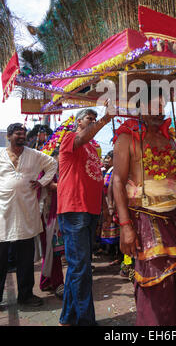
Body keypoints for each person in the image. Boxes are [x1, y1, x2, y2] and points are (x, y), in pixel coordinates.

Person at [113, 86, 176, 326]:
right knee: (156, 279)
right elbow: (118, 182)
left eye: (161, 106)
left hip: (175, 217)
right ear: (140, 109)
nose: (158, 111)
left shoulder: (169, 137)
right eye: (152, 106)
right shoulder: (126, 137)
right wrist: (125, 226)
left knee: (173, 278)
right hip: (146, 218)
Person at [57, 108, 111, 326]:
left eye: (95, 120)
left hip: (90, 210)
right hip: (74, 209)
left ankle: (67, 318)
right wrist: (107, 118)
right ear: (78, 122)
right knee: (81, 266)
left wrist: (105, 208)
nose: (93, 123)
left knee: (79, 265)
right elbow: (83, 136)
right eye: (90, 119)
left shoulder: (94, 148)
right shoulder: (70, 138)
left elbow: (97, 178)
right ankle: (85, 320)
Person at [0, 123, 57, 307]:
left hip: (27, 212)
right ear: (8, 136)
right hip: (3, 213)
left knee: (25, 258)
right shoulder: (1, 155)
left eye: (23, 134)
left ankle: (25, 295)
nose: (22, 136)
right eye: (18, 133)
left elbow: (53, 164)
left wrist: (42, 182)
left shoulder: (33, 155)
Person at [39, 149, 65, 299]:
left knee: (52, 250)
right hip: (47, 217)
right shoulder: (48, 171)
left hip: (56, 217)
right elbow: (50, 186)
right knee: (52, 250)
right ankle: (58, 283)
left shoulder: (60, 172)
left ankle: (45, 281)